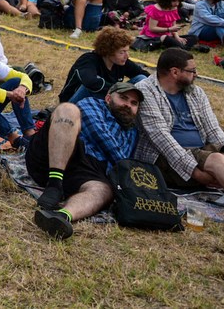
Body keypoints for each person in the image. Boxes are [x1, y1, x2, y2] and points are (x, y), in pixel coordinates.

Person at [133, 49, 224, 213]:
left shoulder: (195, 92)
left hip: (200, 152)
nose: (197, 74)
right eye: (192, 70)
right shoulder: (145, 91)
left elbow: (213, 128)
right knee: (217, 160)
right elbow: (162, 139)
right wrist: (195, 172)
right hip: (163, 158)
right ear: (175, 72)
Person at [26, 81, 143, 239]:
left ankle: (62, 217)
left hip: (88, 170)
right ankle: (54, 185)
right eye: (123, 98)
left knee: (104, 190)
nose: (128, 105)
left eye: (133, 103)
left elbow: (121, 165)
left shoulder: (132, 132)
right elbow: (100, 135)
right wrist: (125, 168)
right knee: (67, 109)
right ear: (108, 98)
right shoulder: (92, 104)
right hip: (58, 152)